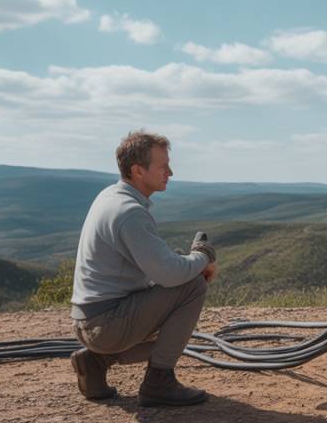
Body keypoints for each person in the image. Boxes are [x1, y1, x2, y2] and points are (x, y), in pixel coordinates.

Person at [69, 130, 217, 406]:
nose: (170, 172)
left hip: (92, 319)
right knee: (192, 287)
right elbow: (170, 274)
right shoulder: (130, 213)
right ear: (138, 170)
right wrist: (203, 256)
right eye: (163, 166)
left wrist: (188, 263)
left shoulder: (111, 196)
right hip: (106, 324)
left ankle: (96, 361)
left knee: (181, 283)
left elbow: (158, 267)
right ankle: (159, 382)